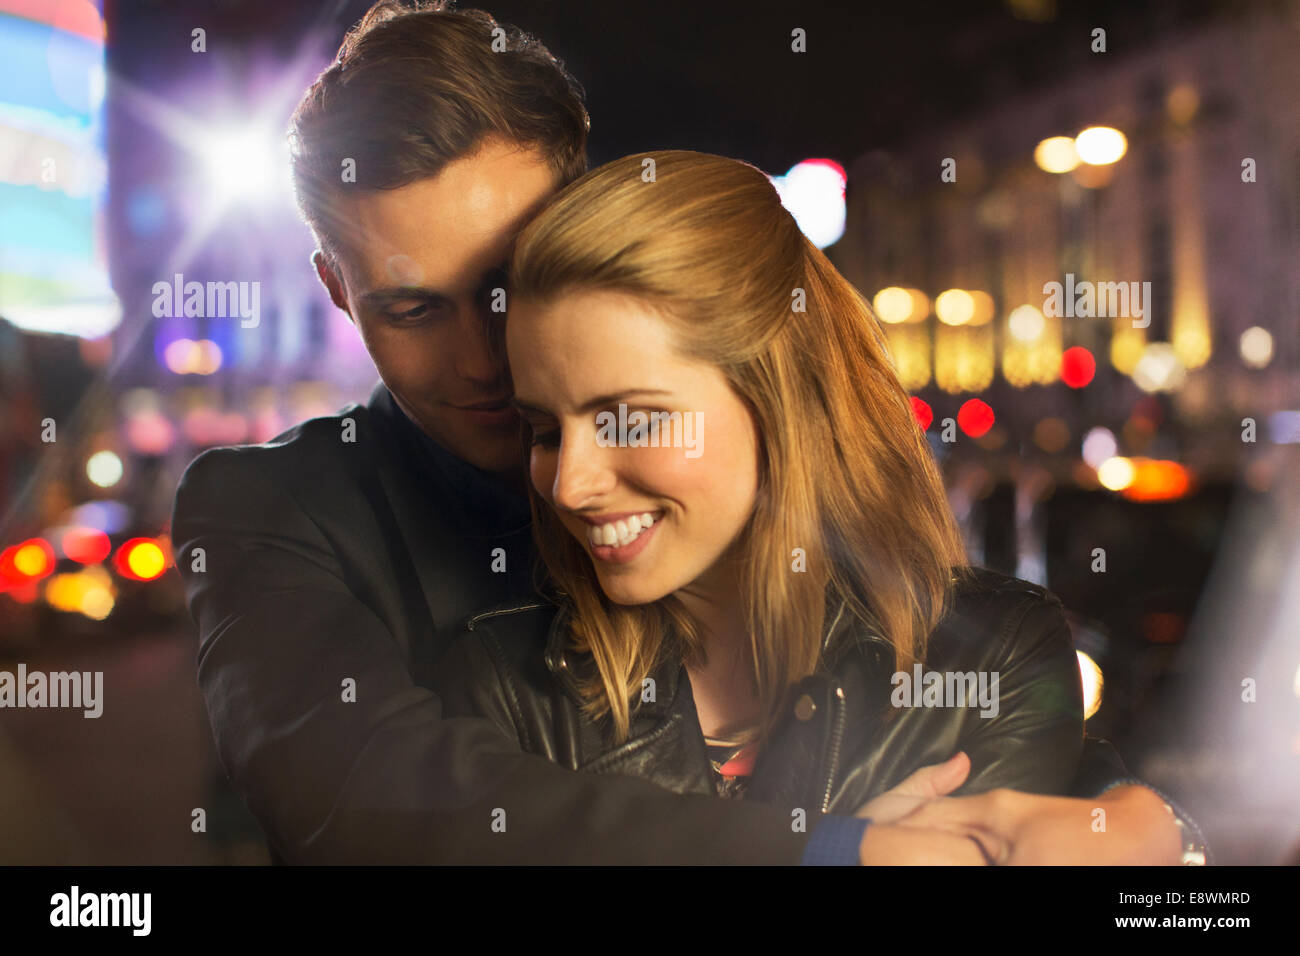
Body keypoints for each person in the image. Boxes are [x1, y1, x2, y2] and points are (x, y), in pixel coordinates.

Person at [170, 0, 1200, 865]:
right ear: (337, 293)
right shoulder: (269, 507)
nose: (486, 357)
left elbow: (982, 728)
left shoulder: (939, 613)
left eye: (505, 280)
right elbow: (365, 791)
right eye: (412, 309)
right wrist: (837, 849)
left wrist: (1130, 821)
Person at [430, 149, 1211, 865]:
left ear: (779, 401)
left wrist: (1168, 836)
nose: (569, 484)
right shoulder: (498, 687)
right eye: (542, 430)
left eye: (628, 420)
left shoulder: (988, 658)